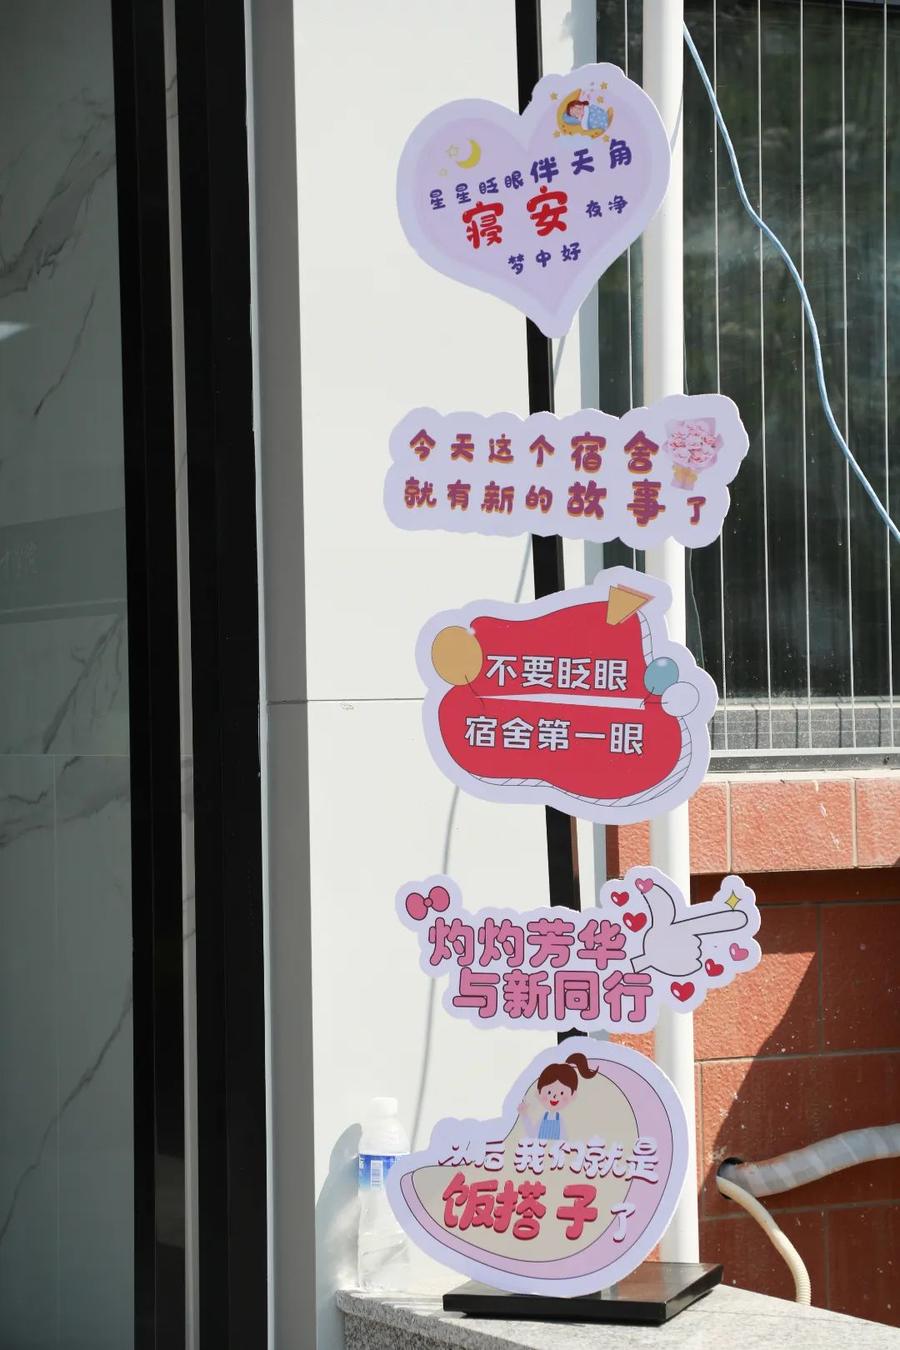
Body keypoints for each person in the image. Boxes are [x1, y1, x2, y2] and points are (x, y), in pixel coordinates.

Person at [517, 1051, 598, 1140]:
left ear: (573, 1095)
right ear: (538, 1093)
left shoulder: (563, 1120)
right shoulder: (543, 1118)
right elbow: (532, 1134)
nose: (554, 1096)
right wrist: (524, 1115)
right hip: (541, 1148)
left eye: (562, 1093)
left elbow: (565, 1140)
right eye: (549, 1092)